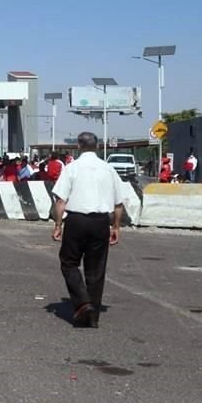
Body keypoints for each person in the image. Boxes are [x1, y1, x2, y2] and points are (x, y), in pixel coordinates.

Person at [51, 132, 125, 328]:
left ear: (78, 146)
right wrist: (116, 226)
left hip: (76, 221)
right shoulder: (108, 169)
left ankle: (83, 304)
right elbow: (119, 204)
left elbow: (60, 201)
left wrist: (58, 225)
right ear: (98, 146)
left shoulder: (72, 168)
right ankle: (92, 314)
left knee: (68, 263)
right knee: (96, 268)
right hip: (101, 221)